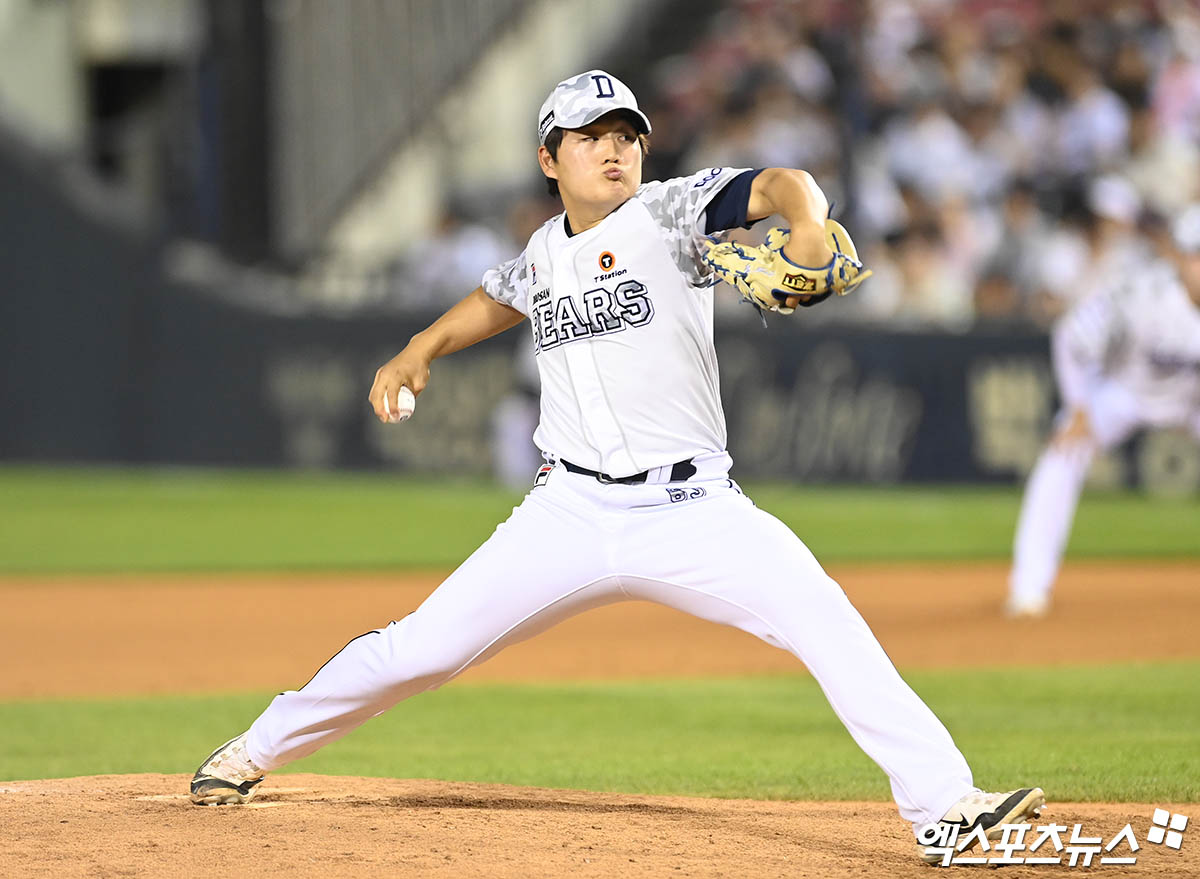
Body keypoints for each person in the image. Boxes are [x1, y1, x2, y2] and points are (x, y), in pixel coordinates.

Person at [190, 69, 1044, 862]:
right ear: (548, 157)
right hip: (567, 513)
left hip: (693, 507)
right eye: (590, 134)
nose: (613, 148)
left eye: (626, 133)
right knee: (420, 650)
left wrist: (810, 224)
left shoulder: (672, 212)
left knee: (819, 611)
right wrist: (419, 348)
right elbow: (496, 298)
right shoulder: (544, 251)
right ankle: (253, 749)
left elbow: (782, 185)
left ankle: (946, 807)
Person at [1007, 204, 1200, 617]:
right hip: (1126, 392)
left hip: (1192, 398)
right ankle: (1029, 587)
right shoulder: (1140, 294)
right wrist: (1078, 407)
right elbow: (1071, 337)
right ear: (1181, 257)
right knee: (1062, 454)